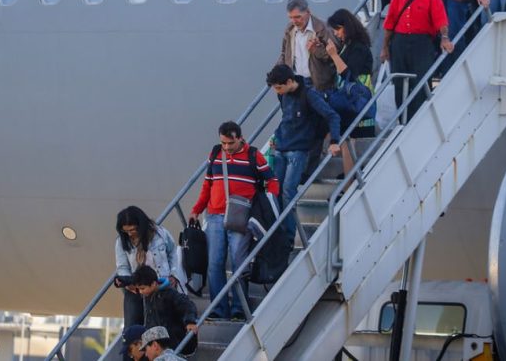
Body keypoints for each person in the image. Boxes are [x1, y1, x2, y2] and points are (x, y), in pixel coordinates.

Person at [189, 121, 279, 321]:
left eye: (230, 143)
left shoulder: (253, 155)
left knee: (239, 263)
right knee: (215, 263)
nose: (227, 147)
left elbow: (272, 180)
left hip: (241, 217)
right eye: (223, 143)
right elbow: (208, 185)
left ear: (239, 138)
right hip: (214, 215)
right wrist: (197, 209)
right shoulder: (215, 154)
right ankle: (219, 309)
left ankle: (239, 308)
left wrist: (270, 203)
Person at [266, 64, 341, 247]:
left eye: (279, 87)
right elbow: (286, 118)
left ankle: (289, 238)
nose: (278, 91)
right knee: (274, 192)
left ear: (290, 82)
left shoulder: (309, 95)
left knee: (288, 192)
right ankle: (276, 232)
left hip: (298, 151)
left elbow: (332, 116)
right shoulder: (282, 96)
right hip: (281, 148)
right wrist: (277, 136)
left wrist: (334, 141)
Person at [381, 0, 452, 119]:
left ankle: (417, 120)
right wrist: (385, 47)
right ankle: (402, 121)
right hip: (399, 43)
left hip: (422, 43)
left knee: (421, 82)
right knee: (399, 82)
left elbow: (441, 21)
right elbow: (389, 23)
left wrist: (445, 39)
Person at [324, 9, 375, 179]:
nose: (336, 34)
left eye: (338, 29)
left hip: (358, 103)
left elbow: (348, 74)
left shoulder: (359, 48)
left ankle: (349, 186)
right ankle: (349, 179)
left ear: (347, 26)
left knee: (350, 142)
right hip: (353, 103)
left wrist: (333, 55)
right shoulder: (350, 45)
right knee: (346, 141)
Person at [115, 206, 180, 327]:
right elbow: (122, 266)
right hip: (136, 289)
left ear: (141, 224)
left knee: (164, 326)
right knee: (133, 327)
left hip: (161, 286)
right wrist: (128, 282)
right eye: (126, 231)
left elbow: (173, 253)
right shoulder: (121, 242)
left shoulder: (160, 234)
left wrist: (174, 274)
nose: (129, 234)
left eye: (133, 229)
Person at [276, 0, 338, 92]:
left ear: (308, 12)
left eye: (297, 17)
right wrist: (276, 73)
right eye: (291, 17)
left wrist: (316, 50)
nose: (294, 21)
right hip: (295, 83)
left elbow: (336, 57)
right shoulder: (289, 29)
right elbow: (284, 54)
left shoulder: (323, 28)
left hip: (318, 85)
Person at [132, 266, 198, 355]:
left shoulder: (170, 294)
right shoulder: (147, 296)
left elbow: (188, 305)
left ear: (154, 284)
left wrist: (190, 322)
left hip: (174, 344)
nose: (140, 292)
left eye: (143, 288)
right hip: (159, 346)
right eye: (139, 289)